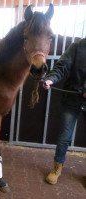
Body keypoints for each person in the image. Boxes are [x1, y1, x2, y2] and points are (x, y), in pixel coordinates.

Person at [43, 37, 86, 185]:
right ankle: (57, 168)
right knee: (64, 136)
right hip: (72, 98)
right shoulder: (77, 46)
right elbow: (62, 66)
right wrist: (51, 79)